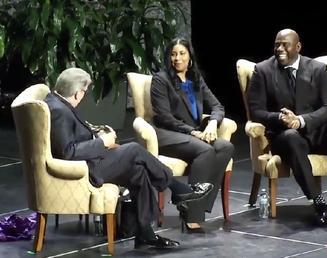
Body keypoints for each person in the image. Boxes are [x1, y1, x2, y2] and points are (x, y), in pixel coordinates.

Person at [44, 67, 214, 248]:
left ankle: (145, 234)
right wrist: (102, 143)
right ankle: (179, 189)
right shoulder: (59, 111)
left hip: (90, 162)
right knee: (133, 149)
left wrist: (96, 133)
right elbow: (68, 152)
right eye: (84, 93)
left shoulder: (56, 102)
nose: (83, 97)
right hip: (85, 170)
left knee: (139, 171)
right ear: (77, 93)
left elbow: (71, 137)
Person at [248, 28, 327, 226]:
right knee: (291, 136)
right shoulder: (263, 70)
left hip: (316, 131)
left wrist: (300, 120)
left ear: (298, 47)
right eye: (277, 44)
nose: (280, 49)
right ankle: (318, 202)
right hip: (285, 136)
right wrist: (281, 118)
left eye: (285, 45)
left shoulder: (317, 69)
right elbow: (256, 111)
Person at [150, 37, 234, 231]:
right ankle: (192, 215)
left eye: (182, 53)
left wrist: (212, 123)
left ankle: (195, 205)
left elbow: (217, 106)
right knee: (205, 150)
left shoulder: (196, 79)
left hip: (194, 135)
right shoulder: (161, 80)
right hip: (168, 134)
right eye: (173, 54)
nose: (177, 58)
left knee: (226, 147)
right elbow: (164, 118)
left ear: (190, 57)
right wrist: (194, 132)